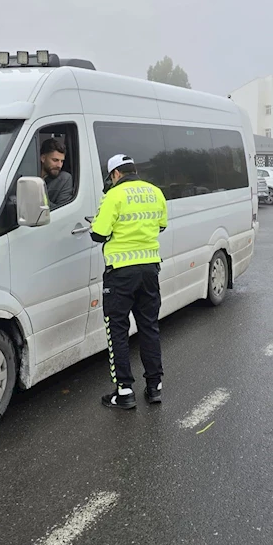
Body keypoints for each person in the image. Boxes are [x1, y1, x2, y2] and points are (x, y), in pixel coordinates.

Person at [90, 154, 168, 410]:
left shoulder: (113, 195)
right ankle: (154, 386)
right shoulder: (155, 192)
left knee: (118, 331)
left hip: (120, 274)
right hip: (149, 271)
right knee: (149, 327)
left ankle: (124, 392)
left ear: (114, 174)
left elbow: (98, 234)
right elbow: (161, 226)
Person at [40, 137, 74, 209]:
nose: (59, 165)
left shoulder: (64, 179)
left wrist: (40, 198)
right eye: (55, 160)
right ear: (43, 158)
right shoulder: (28, 175)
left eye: (62, 161)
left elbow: (63, 210)